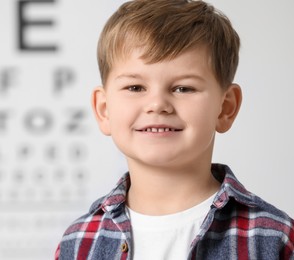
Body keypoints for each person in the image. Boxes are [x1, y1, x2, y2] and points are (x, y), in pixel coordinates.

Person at [55, 0, 294, 259]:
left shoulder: (273, 238)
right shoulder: (77, 242)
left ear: (225, 108)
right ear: (104, 110)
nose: (157, 104)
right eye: (135, 88)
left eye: (183, 88)